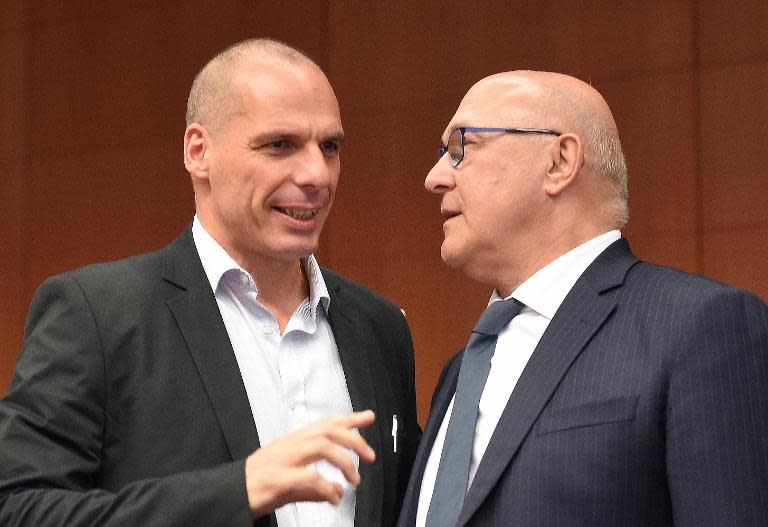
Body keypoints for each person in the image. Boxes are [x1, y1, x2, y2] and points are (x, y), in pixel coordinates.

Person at [0, 38, 420, 527]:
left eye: (330, 147)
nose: (316, 174)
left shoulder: (379, 328)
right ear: (199, 152)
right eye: (280, 145)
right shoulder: (97, 314)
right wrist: (240, 488)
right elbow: (18, 508)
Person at [398, 70, 768, 527]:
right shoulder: (462, 369)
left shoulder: (699, 327)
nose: (434, 178)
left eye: (461, 149)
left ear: (559, 162)